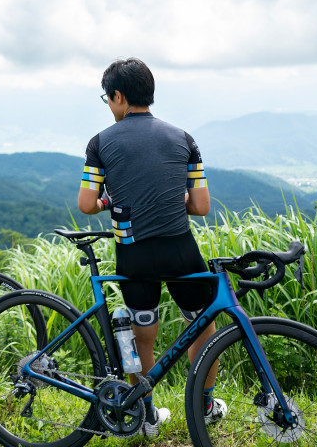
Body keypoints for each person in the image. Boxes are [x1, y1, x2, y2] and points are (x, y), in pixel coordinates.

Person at [76, 58, 225, 438]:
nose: (108, 106)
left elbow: (87, 203)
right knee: (203, 327)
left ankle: (145, 416)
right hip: (180, 249)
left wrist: (111, 201)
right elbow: (201, 207)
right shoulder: (184, 138)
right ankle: (203, 405)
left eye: (107, 98)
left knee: (142, 333)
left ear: (119, 96)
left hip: (133, 254)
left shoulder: (100, 143)